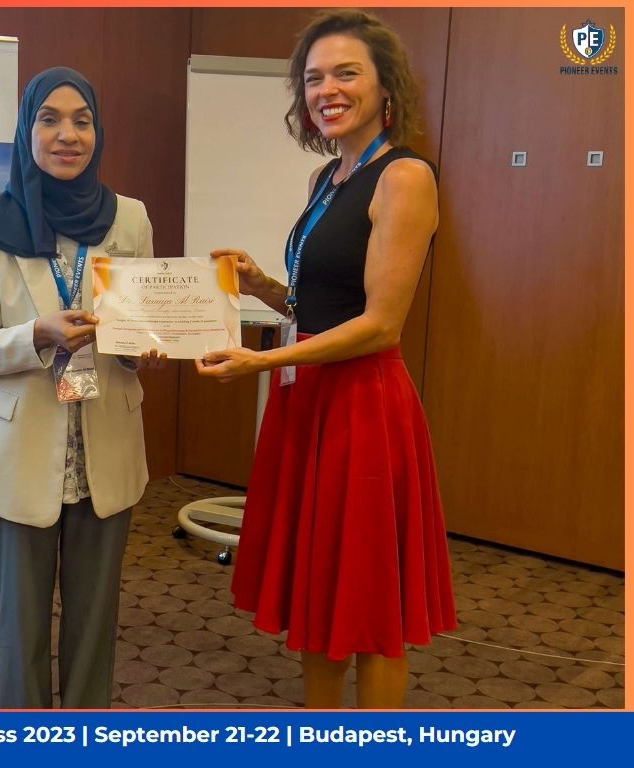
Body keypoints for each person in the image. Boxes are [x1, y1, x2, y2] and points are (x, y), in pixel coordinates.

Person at [196, 10, 457, 708]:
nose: (327, 90)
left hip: (362, 408)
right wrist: (263, 286)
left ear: (385, 86)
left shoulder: (404, 176)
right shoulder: (326, 178)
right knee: (319, 592)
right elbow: (320, 304)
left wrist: (257, 364)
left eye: (346, 73)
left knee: (370, 609)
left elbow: (379, 326)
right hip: (309, 401)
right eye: (314, 78)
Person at [0, 67, 162, 708]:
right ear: (27, 130)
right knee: (21, 626)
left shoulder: (130, 218)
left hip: (106, 444)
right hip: (23, 451)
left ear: (98, 132)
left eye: (82, 120)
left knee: (95, 619)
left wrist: (145, 347)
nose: (68, 135)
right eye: (50, 119)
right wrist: (37, 334)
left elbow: (139, 325)